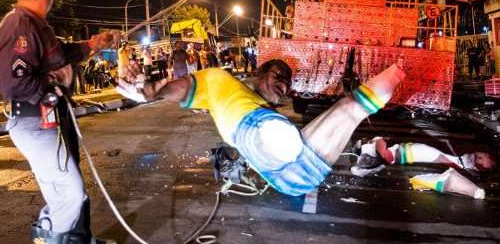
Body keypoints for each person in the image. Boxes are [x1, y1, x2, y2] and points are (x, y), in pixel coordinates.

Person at [118, 58, 406, 197]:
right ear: (258, 74)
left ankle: (398, 72)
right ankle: (396, 73)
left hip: (296, 180)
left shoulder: (268, 111)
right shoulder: (222, 81)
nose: (282, 85)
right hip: (264, 138)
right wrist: (154, 91)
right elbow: (185, 88)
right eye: (277, 76)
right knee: (345, 111)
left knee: (348, 108)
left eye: (286, 83)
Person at [0, 0, 118, 243]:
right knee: (70, 192)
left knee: (65, 190)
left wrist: (93, 44)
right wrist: (53, 84)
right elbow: (16, 84)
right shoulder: (20, 25)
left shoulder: (35, 25)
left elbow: (59, 55)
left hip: (49, 120)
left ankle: (70, 238)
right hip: (34, 121)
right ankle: (49, 236)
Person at [351, 136, 496, 177]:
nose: (479, 155)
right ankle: (365, 154)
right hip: (402, 152)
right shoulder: (458, 159)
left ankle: (366, 156)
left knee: (379, 140)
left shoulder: (460, 163)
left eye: (479, 158)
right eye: (482, 155)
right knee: (378, 141)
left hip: (401, 154)